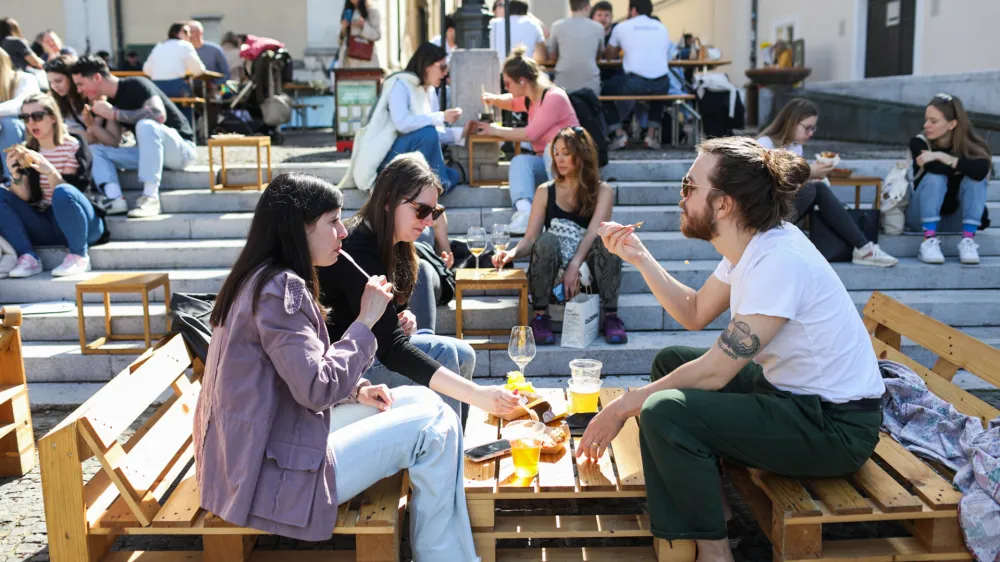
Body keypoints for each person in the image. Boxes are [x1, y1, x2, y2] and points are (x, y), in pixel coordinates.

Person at [580, 137, 885, 562]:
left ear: (723, 204)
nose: (681, 196)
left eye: (689, 186)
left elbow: (716, 372)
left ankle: (714, 552)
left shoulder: (778, 260)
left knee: (662, 410)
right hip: (793, 398)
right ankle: (721, 518)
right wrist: (641, 257)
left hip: (834, 427)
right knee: (670, 362)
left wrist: (621, 406)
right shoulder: (751, 242)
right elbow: (694, 311)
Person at [193, 172, 481, 560]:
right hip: (270, 477)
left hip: (252, 456)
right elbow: (314, 390)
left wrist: (357, 389)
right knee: (435, 423)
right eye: (332, 221)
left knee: (416, 400)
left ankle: (440, 548)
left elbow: (295, 371)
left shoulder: (259, 278)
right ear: (298, 228)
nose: (343, 232)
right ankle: (444, 556)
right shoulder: (283, 289)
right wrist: (365, 322)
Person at [319, 154, 520, 420]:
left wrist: (400, 319)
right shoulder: (358, 248)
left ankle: (454, 443)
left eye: (434, 212)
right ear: (389, 201)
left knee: (465, 354)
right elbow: (393, 350)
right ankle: (447, 455)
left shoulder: (394, 243)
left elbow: (385, 330)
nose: (428, 222)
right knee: (446, 353)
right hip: (345, 373)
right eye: (422, 211)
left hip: (367, 355)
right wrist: (480, 395)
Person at [493, 127, 626, 345]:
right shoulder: (545, 191)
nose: (560, 159)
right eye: (556, 153)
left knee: (607, 241)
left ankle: (611, 316)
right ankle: (540, 316)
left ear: (581, 154)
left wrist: (574, 265)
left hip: (588, 263)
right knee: (547, 240)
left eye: (566, 153)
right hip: (554, 262)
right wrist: (511, 253)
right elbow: (530, 239)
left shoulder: (603, 191)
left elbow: (593, 232)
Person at [757, 99, 897, 267]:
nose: (811, 134)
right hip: (765, 215)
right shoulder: (765, 144)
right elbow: (762, 186)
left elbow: (792, 185)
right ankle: (864, 248)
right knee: (817, 189)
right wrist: (808, 173)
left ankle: (863, 247)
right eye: (807, 128)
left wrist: (810, 176)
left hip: (785, 211)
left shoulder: (796, 147)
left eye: (813, 128)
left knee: (817, 189)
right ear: (791, 122)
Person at [71, 55, 197, 218]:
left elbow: (158, 115)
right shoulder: (111, 101)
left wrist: (113, 114)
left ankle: (150, 197)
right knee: (94, 150)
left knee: (145, 125)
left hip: (181, 151)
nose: (79, 90)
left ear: (96, 77)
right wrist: (93, 126)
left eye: (80, 84)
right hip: (151, 155)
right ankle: (114, 198)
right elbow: (113, 142)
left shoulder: (135, 84)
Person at [0, 93, 106, 278]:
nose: (31, 122)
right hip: (46, 224)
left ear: (53, 118)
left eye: (37, 116)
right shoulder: (27, 149)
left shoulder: (74, 145)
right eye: (25, 117)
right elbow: (24, 197)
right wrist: (15, 175)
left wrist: (50, 172)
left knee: (62, 191)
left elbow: (74, 194)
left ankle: (79, 256)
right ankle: (28, 257)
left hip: (82, 224)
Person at [478, 47, 580, 234]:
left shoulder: (554, 97)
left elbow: (529, 134)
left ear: (522, 81)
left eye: (508, 83)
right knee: (520, 161)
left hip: (567, 165)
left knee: (552, 149)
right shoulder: (531, 98)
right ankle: (525, 213)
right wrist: (493, 99)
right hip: (547, 163)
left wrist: (494, 130)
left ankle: (561, 212)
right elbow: (511, 102)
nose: (506, 88)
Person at [909, 93, 993, 266]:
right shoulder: (919, 143)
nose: (926, 125)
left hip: (956, 218)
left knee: (976, 180)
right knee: (936, 178)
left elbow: (981, 171)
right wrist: (963, 166)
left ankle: (968, 241)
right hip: (920, 217)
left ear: (952, 124)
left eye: (933, 121)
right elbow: (936, 169)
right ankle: (928, 241)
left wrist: (943, 157)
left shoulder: (973, 146)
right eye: (926, 120)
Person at [602, 0, 679, 151]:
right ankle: (650, 136)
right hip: (662, 82)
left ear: (633, 10)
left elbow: (610, 55)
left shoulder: (622, 27)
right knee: (658, 94)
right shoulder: (662, 28)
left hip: (635, 82)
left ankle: (619, 134)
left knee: (605, 91)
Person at [44, 55, 121, 147]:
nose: (54, 86)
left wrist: (62, 130)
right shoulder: (56, 100)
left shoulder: (95, 98)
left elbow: (91, 138)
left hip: (100, 150)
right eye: (50, 83)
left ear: (72, 78)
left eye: (58, 81)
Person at [544, 0, 605, 97]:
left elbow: (552, 56)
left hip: (563, 82)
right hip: (590, 83)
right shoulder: (598, 28)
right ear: (587, 6)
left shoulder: (557, 26)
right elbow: (599, 56)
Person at [1, 47, 41, 184]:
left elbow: (21, 104)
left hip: (26, 132)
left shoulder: (25, 78)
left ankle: (13, 178)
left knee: (8, 123)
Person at [142, 22, 206, 98]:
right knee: (186, 105)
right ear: (178, 33)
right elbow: (198, 70)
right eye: (186, 32)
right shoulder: (185, 45)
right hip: (177, 87)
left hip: (156, 87)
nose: (189, 35)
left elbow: (146, 70)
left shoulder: (159, 46)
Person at [338, 0, 383, 69]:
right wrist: (343, 29)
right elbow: (340, 42)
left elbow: (377, 35)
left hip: (365, 63)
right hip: (347, 63)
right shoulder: (348, 12)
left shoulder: (372, 12)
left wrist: (363, 25)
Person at [188, 21, 230, 86]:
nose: (188, 35)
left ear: (199, 32)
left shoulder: (215, 49)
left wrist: (216, 85)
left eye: (191, 32)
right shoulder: (185, 51)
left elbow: (226, 73)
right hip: (191, 91)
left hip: (213, 91)